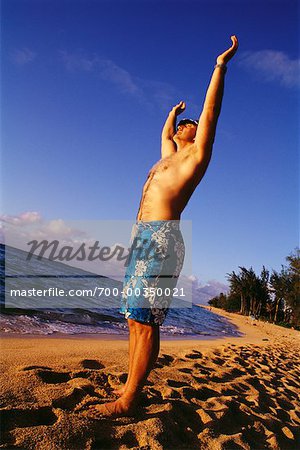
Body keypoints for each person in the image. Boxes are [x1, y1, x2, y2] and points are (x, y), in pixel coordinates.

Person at [85, 35, 238, 418]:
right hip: (141, 240)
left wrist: (220, 66)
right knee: (134, 320)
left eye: (189, 123)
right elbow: (163, 134)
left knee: (146, 321)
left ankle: (129, 400)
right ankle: (129, 389)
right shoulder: (167, 157)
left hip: (162, 239)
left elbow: (210, 112)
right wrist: (171, 112)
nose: (185, 124)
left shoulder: (195, 157)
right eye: (181, 124)